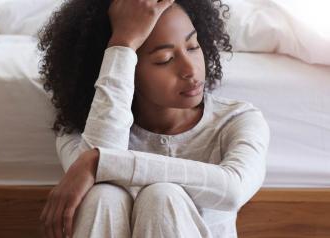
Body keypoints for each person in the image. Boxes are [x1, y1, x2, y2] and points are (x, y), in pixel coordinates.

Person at [38, 0, 270, 237]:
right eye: (165, 59)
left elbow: (233, 190)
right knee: (101, 195)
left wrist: (99, 162)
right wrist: (123, 44)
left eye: (192, 46)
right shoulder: (80, 131)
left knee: (162, 196)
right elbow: (93, 177)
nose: (190, 69)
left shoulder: (237, 119)